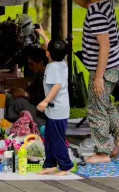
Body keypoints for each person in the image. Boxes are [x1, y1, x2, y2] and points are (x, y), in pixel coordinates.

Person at [50, 0, 119, 164]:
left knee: (96, 108)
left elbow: (105, 45)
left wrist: (99, 76)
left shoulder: (96, 14)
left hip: (105, 68)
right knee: (103, 102)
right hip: (113, 64)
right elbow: (85, 2)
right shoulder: (101, 3)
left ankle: (102, 153)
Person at [38, 39, 73, 175]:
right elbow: (55, 48)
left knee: (57, 139)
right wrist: (42, 34)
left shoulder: (52, 67)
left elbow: (57, 85)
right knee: (50, 137)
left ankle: (66, 166)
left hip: (57, 109)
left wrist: (45, 101)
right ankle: (50, 164)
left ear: (48, 53)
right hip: (56, 109)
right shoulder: (62, 63)